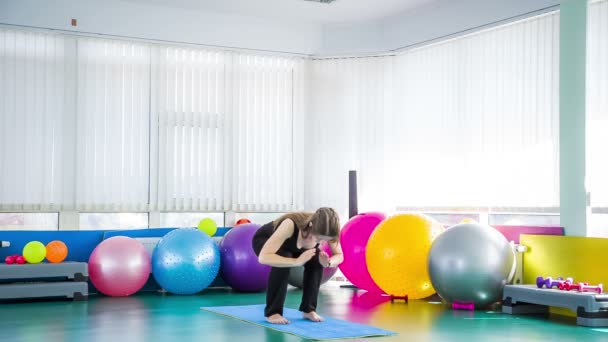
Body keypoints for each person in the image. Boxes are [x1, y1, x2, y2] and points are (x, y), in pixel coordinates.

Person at [252, 207, 343, 324]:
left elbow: (339, 255)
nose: (321, 242)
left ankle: (309, 310)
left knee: (317, 259)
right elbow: (263, 258)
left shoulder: (329, 230)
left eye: (325, 240)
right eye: (319, 238)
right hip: (265, 241)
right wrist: (296, 262)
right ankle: (273, 312)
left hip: (293, 247)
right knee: (284, 258)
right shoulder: (290, 225)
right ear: (311, 225)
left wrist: (328, 263)